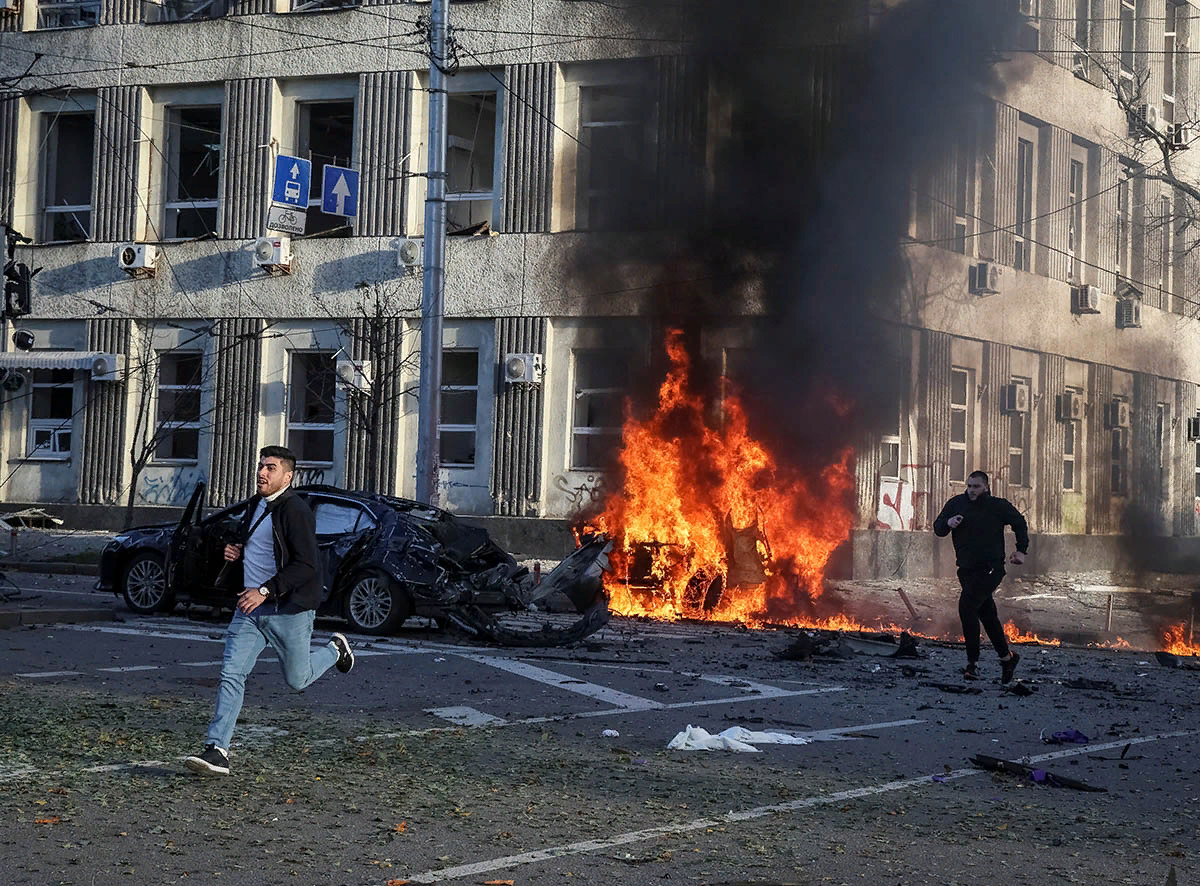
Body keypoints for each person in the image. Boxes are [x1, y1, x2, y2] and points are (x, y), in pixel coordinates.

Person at [185, 445, 354, 776]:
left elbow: (306, 565)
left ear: (287, 476)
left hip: (287, 610)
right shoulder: (255, 506)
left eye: (271, 468)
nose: (262, 472)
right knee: (231, 674)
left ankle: (334, 649)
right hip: (249, 610)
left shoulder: (297, 511)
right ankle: (217, 749)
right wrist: (235, 551)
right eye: (261, 466)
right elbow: (258, 548)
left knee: (298, 680)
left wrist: (265, 591)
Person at [933, 470, 1028, 684]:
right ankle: (1007, 658)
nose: (971, 491)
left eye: (976, 487)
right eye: (969, 486)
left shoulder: (997, 506)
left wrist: (1021, 550)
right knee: (986, 613)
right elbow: (938, 528)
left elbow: (1019, 523)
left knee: (967, 606)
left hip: (991, 569)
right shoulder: (957, 504)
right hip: (966, 569)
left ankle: (972, 664)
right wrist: (948, 523)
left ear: (986, 487)